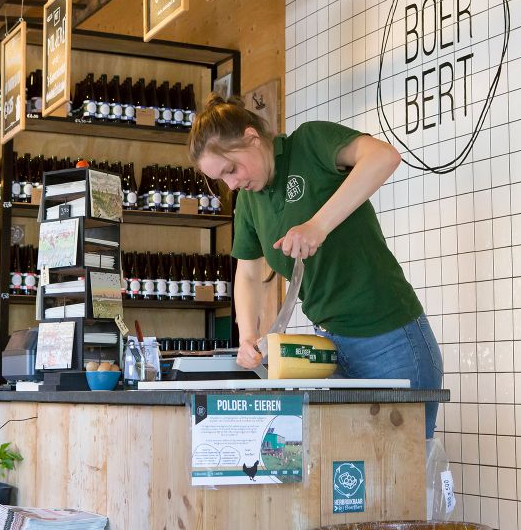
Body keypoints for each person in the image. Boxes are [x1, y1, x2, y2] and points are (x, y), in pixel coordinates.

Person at [189, 95, 443, 437]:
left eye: (231, 170)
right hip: (331, 348)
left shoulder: (309, 143)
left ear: (252, 138)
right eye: (222, 179)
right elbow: (248, 274)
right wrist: (247, 334)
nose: (232, 184)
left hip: (391, 339)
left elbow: (384, 156)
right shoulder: (249, 202)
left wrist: (317, 226)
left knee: (405, 475)